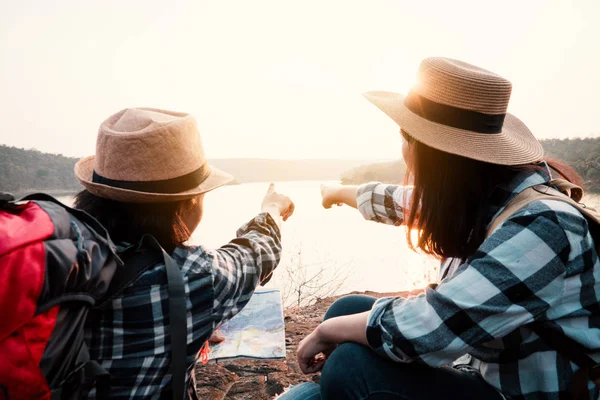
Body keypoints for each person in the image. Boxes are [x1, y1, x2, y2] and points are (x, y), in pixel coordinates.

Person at [280, 58, 600, 400]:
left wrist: (328, 331)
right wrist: (339, 193)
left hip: (525, 394)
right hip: (491, 374)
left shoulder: (543, 224)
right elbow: (409, 204)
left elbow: (433, 326)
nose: (403, 149)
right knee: (347, 313)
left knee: (348, 365)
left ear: (438, 157)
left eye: (406, 136)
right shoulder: (488, 195)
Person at [73, 107, 294, 398]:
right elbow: (256, 254)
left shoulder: (56, 256)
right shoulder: (191, 276)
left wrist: (190, 324)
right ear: (184, 205)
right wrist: (272, 209)